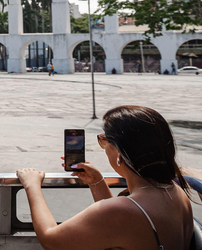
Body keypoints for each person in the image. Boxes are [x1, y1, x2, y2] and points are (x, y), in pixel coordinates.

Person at [17, 106, 194, 250]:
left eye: (104, 140)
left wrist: (32, 185)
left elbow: (50, 240)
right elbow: (125, 227)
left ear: (119, 152)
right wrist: (96, 182)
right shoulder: (176, 191)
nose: (103, 145)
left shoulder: (121, 211)